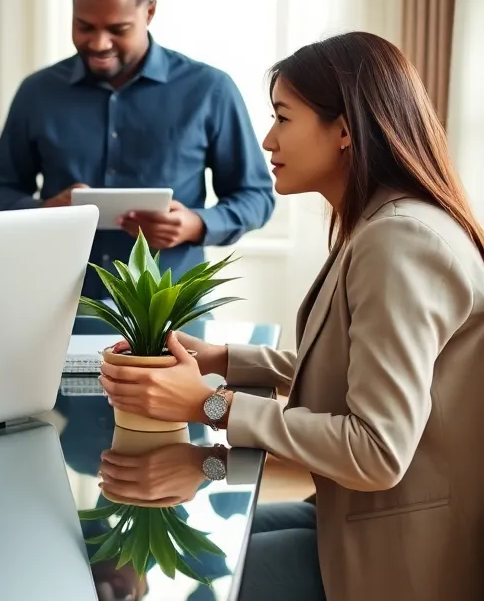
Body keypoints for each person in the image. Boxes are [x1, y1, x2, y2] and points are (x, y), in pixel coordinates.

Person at [97, 31, 484, 600]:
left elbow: (375, 451)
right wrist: (221, 360)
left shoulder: (398, 240)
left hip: (401, 559)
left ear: (345, 129)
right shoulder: (389, 223)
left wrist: (208, 404)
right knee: (201, 552)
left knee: (186, 581)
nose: (268, 139)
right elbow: (358, 365)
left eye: (283, 117)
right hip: (360, 518)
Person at [0, 0, 275, 298]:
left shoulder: (209, 89)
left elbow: (256, 195)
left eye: (117, 29)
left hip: (169, 312)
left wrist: (196, 224)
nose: (99, 43)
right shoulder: (37, 92)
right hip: (56, 304)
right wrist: (44, 211)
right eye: (84, 26)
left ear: (149, 12)